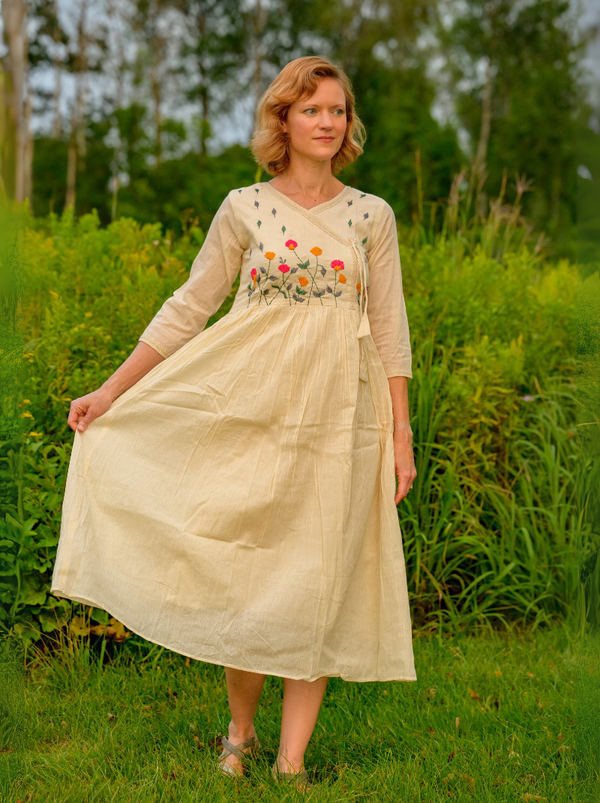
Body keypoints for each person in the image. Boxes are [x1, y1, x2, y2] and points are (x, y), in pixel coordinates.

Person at [51, 55, 418, 793]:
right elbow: (191, 306)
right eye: (310, 108)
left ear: (349, 124)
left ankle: (291, 760)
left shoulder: (370, 215)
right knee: (249, 574)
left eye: (337, 110)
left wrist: (400, 433)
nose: (326, 122)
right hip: (249, 412)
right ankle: (240, 732)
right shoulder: (244, 207)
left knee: (320, 578)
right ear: (282, 119)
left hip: (340, 422)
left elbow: (388, 327)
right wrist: (112, 391)